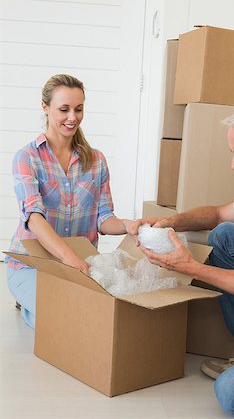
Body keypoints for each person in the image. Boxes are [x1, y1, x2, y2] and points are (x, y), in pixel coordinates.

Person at [135, 100, 234, 419]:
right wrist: (171, 222)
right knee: (225, 234)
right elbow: (218, 214)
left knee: (233, 394)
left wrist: (190, 267)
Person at [5, 74, 136, 329]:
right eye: (63, 109)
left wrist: (129, 225)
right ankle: (27, 303)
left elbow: (104, 218)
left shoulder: (96, 160)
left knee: (96, 315)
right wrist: (68, 256)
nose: (72, 117)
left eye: (79, 109)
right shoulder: (27, 157)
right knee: (63, 319)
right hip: (32, 265)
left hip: (79, 266)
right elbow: (33, 218)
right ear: (45, 108)